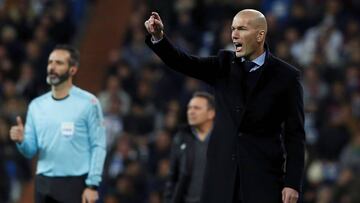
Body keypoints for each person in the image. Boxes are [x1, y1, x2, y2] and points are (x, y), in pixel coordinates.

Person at [145, 9, 305, 203]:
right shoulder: (223, 64)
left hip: (262, 179)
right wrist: (159, 37)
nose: (234, 34)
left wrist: (292, 183)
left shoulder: (286, 76)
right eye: (233, 29)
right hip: (220, 177)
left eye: (242, 29)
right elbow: (185, 62)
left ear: (260, 35)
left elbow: (295, 134)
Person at [9, 45, 106, 203]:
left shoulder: (89, 103)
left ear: (72, 70)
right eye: (50, 62)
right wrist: (21, 141)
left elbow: (98, 145)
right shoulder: (36, 105)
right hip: (43, 183)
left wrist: (93, 185)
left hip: (76, 183)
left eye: (59, 63)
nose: (52, 67)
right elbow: (30, 150)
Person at [164, 91, 215, 203]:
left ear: (211, 113)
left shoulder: (222, 140)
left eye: (197, 108)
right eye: (189, 108)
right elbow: (173, 177)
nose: (191, 112)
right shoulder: (181, 138)